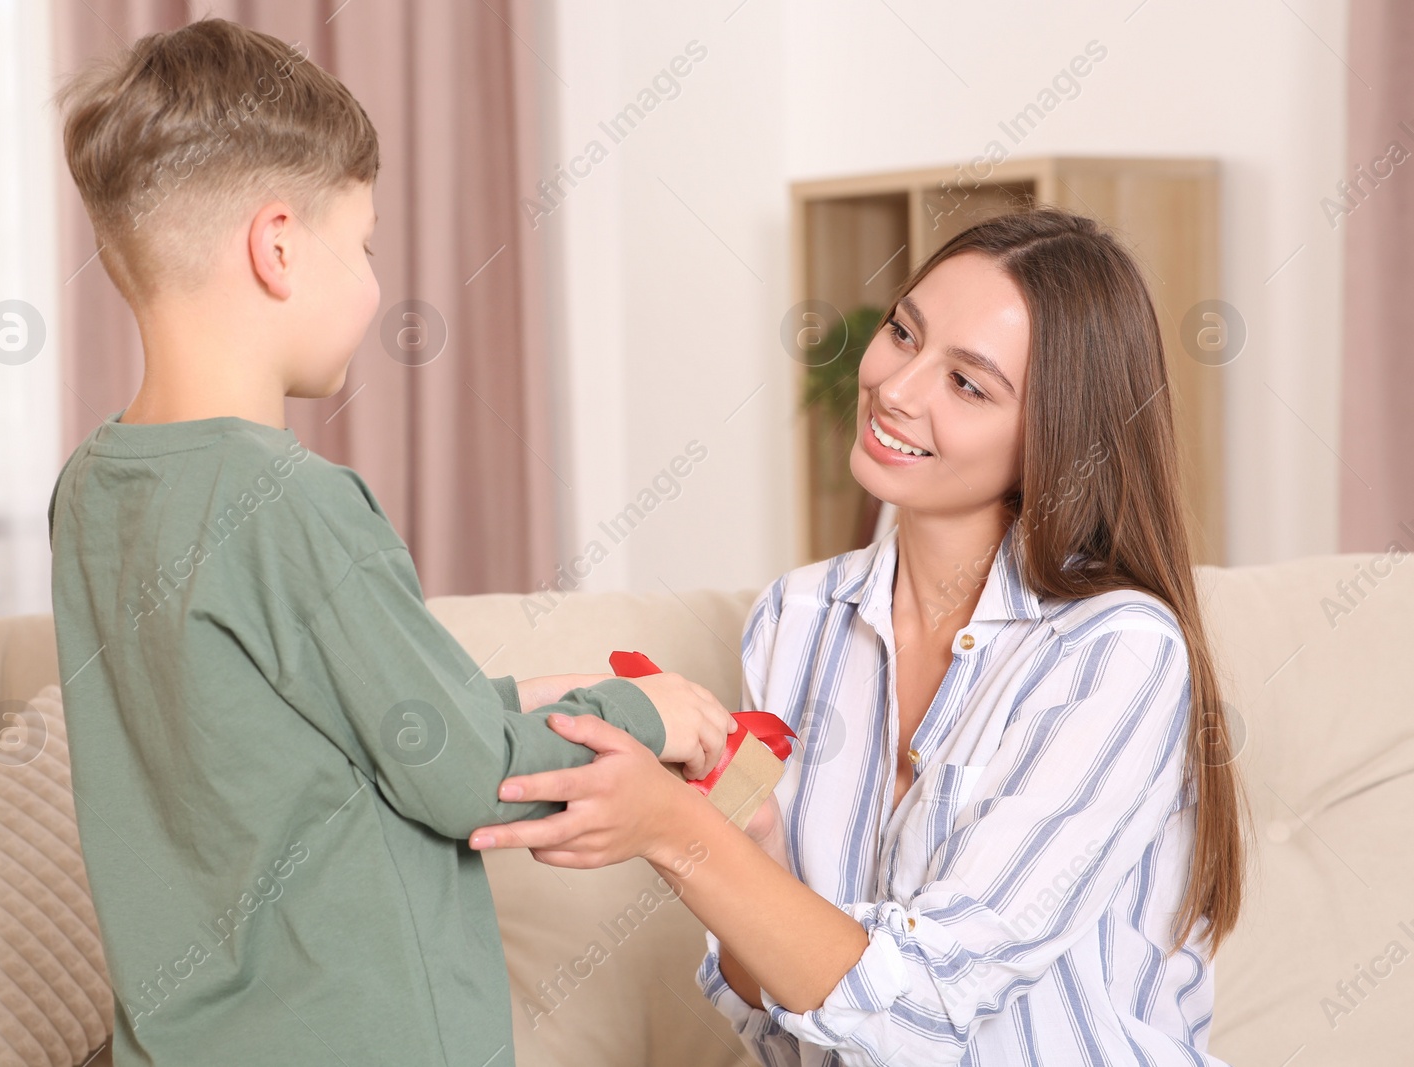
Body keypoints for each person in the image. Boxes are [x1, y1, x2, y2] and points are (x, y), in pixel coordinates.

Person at [46, 18, 735, 1066]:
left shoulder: (91, 490)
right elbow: (458, 777)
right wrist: (645, 711)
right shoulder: (292, 503)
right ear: (277, 246)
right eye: (363, 246)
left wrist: (516, 697)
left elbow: (304, 729)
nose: (373, 284)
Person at [470, 207, 1248, 1065]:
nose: (897, 388)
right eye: (903, 333)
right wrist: (745, 838)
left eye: (968, 384)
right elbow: (783, 1025)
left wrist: (674, 834)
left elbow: (922, 1008)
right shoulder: (797, 621)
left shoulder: (1115, 652)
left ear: (1053, 439)